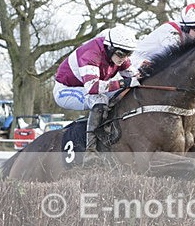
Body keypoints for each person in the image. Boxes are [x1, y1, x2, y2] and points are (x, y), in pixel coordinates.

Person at [53, 24, 140, 166]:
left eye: (128, 54)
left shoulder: (118, 53)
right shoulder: (91, 54)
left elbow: (134, 77)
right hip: (66, 90)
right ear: (110, 48)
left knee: (122, 92)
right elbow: (93, 87)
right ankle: (90, 151)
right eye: (121, 54)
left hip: (89, 86)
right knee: (99, 99)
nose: (124, 59)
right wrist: (124, 83)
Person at [130, 3, 195, 74]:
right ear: (185, 28)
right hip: (135, 63)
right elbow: (175, 64)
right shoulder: (171, 35)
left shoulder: (187, 34)